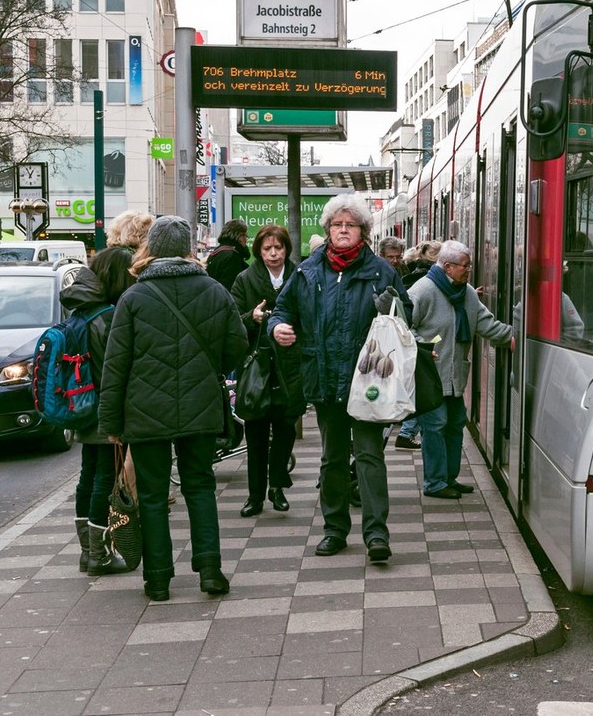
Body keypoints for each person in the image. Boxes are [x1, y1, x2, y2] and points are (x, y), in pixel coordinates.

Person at [99, 216, 249, 601]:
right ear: (187, 249)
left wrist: (111, 421)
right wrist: (209, 369)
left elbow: (115, 365)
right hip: (200, 407)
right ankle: (211, 570)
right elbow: (237, 345)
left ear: (151, 247)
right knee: (200, 485)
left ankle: (159, 579)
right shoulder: (214, 290)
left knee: (151, 494)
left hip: (144, 411)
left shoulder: (134, 297)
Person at [270, 194, 412, 562]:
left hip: (368, 381)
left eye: (350, 225)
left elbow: (406, 315)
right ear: (328, 230)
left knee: (369, 456)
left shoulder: (382, 270)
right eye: (337, 225)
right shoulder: (307, 271)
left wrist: (392, 307)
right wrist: (278, 328)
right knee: (331, 458)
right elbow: (282, 309)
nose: (343, 230)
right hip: (324, 377)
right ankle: (334, 530)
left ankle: (376, 535)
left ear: (363, 231)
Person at [407, 240, 514, 500]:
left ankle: (448, 478)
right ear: (447, 267)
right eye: (464, 266)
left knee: (455, 424)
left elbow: (486, 323)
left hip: (455, 377)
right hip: (430, 376)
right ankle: (434, 482)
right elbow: (403, 327)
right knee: (435, 426)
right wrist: (422, 348)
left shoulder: (466, 293)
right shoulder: (422, 290)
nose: (469, 270)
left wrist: (514, 337)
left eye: (469, 265)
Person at [64, 245, 137, 577]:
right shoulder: (107, 318)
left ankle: (85, 551)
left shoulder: (79, 312)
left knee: (88, 476)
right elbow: (116, 369)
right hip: (104, 408)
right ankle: (99, 554)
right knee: (105, 479)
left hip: (81, 404)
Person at [230, 224, 305, 518]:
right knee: (256, 432)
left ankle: (277, 486)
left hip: (290, 364)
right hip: (257, 366)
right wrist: (253, 317)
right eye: (267, 249)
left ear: (286, 249)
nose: (273, 254)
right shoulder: (245, 279)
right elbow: (232, 318)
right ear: (258, 251)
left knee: (286, 428)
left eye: (278, 248)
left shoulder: (299, 276)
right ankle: (255, 496)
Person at [392, 240, 441, 450]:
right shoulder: (426, 283)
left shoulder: (412, 275)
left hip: (416, 342)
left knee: (417, 390)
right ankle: (405, 433)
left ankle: (406, 432)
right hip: (422, 344)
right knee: (421, 393)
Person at [206, 218, 250, 291]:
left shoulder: (215, 253)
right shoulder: (232, 257)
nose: (246, 239)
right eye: (245, 235)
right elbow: (231, 288)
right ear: (240, 237)